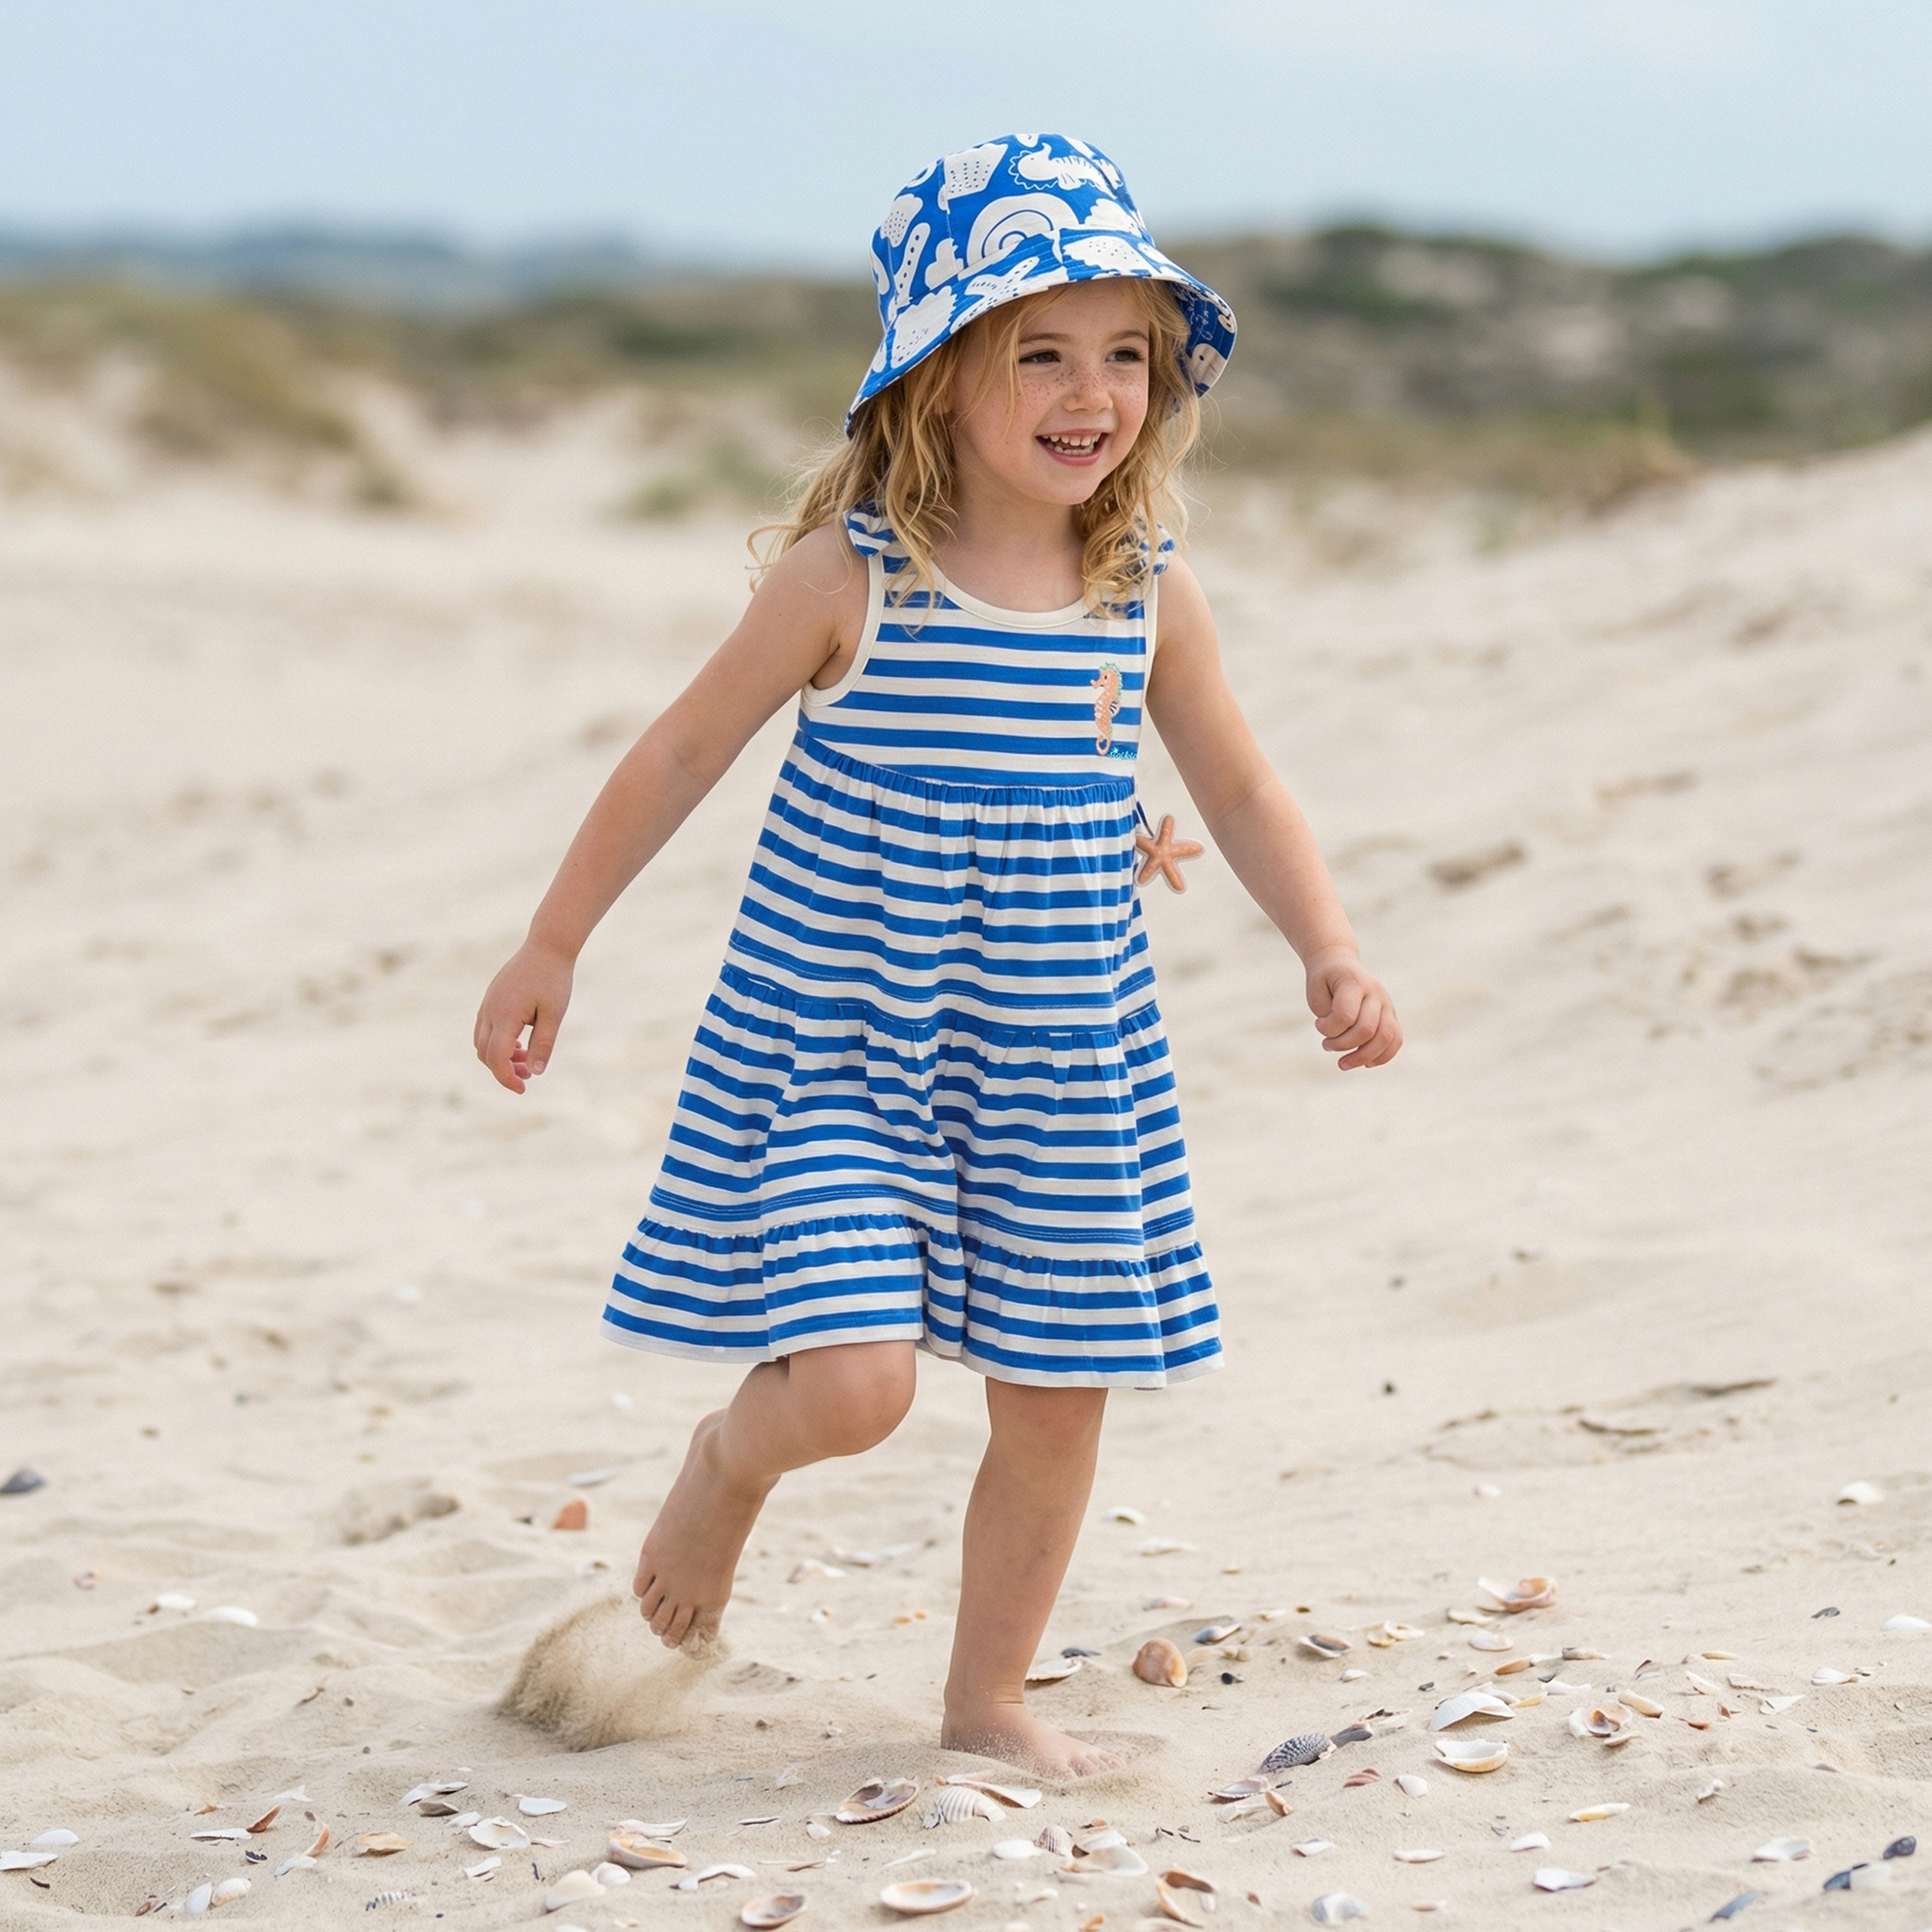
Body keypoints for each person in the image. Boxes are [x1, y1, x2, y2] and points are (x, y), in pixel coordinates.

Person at [474, 133, 1402, 1777]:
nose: (1090, 389)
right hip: (843, 1049)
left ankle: (985, 1702)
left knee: (1060, 1401)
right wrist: (555, 939)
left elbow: (1239, 782)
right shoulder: (857, 581)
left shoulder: (1141, 591)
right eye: (1038, 350)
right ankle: (725, 1467)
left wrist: (1324, 944)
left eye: (1126, 352)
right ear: (934, 379)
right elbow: (683, 751)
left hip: (1058, 1062)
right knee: (852, 1389)